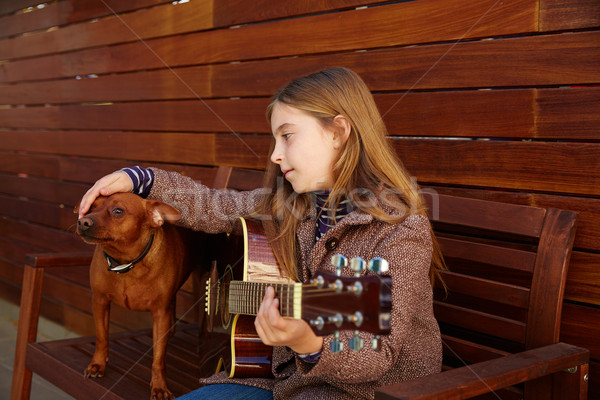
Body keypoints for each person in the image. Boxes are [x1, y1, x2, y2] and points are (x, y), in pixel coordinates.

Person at [77, 67, 445, 400]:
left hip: (371, 392)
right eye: (274, 140)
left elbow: (375, 353)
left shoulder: (400, 232)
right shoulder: (289, 205)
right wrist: (141, 179)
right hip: (279, 378)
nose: (275, 155)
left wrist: (311, 342)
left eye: (287, 137)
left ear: (338, 132)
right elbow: (210, 205)